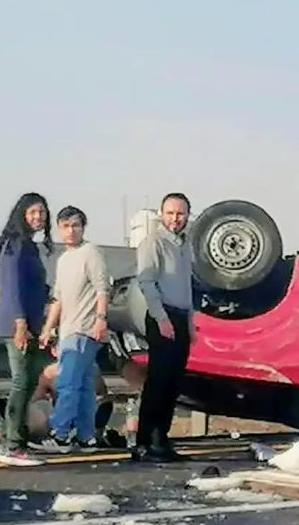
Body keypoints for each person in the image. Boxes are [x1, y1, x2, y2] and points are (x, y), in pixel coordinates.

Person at [32, 206, 111, 453]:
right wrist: (48, 328)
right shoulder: (64, 260)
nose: (70, 231)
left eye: (75, 225)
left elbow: (102, 288)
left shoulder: (91, 252)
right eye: (65, 226)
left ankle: (61, 432)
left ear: (83, 227)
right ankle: (86, 435)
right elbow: (59, 299)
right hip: (68, 329)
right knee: (84, 385)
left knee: (67, 383)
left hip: (84, 329)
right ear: (59, 229)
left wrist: (101, 318)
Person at [132, 192, 196, 463]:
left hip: (180, 316)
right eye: (170, 213)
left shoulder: (183, 246)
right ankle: (147, 441)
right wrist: (161, 318)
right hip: (162, 316)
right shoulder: (153, 243)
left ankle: (163, 436)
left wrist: (190, 325)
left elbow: (188, 288)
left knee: (173, 381)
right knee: (158, 381)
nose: (175, 219)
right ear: (161, 214)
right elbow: (147, 282)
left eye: (180, 213)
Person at [0, 192, 53, 467]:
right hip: (19, 324)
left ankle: (18, 438)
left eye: (41, 212)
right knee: (21, 382)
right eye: (32, 212)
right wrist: (20, 323)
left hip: (30, 323)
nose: (38, 217)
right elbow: (12, 287)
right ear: (21, 214)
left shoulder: (28, 245)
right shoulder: (15, 244)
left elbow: (34, 287)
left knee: (28, 382)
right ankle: (11, 445)